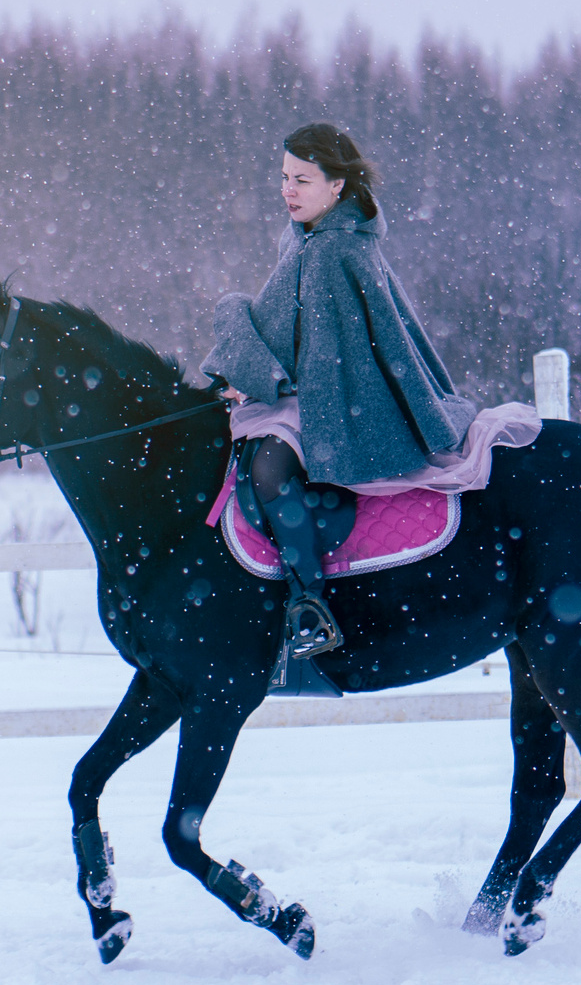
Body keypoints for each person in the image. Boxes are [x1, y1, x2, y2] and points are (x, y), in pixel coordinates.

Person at [203, 122, 480, 660]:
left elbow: (341, 352)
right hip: (301, 393)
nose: (287, 190)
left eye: (302, 180)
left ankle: (309, 603)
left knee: (270, 470)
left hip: (339, 402)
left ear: (337, 185)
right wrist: (249, 374)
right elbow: (285, 326)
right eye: (284, 177)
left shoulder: (337, 249)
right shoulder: (302, 237)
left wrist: (263, 377)